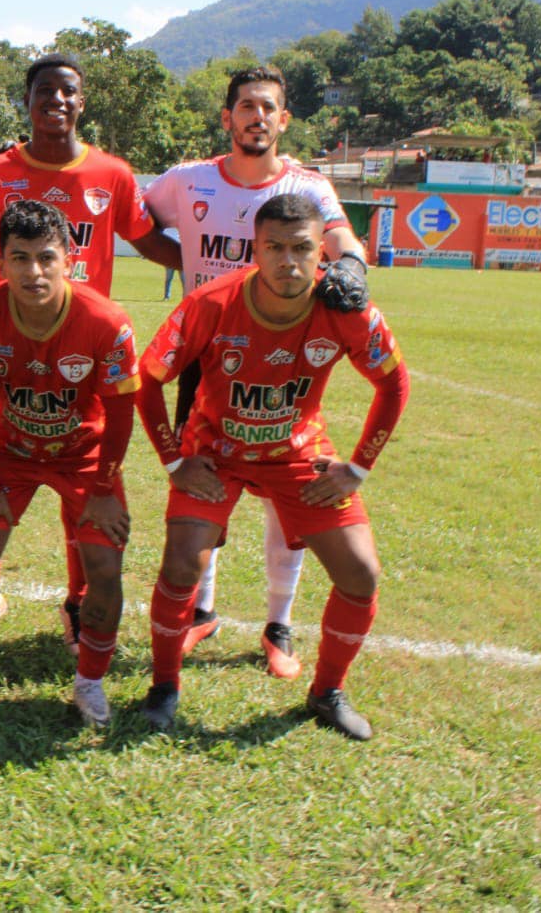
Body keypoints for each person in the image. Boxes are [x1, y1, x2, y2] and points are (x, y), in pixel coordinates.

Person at [134, 193, 409, 740]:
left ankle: (327, 691)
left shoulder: (345, 310)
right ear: (254, 251)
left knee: (361, 574)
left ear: (321, 253)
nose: (289, 262)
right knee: (183, 564)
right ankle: (164, 685)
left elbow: (393, 383)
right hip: (216, 456)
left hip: (297, 455)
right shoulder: (212, 303)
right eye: (274, 248)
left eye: (302, 248)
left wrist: (357, 468)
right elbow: (147, 378)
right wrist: (173, 461)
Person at [0, 52, 179, 653]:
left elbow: (149, 243)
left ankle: (77, 606)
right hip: (9, 351)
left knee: (83, 488)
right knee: (1, 469)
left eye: (68, 92)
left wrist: (235, 267)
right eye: (45, 92)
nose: (56, 102)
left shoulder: (114, 174)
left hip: (88, 355)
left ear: (82, 102)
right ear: (28, 100)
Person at [142, 65, 371, 678]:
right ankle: (201, 613)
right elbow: (135, 219)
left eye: (268, 107)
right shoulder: (188, 180)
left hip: (287, 346)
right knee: (206, 481)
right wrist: (183, 258)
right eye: (246, 106)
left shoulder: (308, 186)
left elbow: (347, 242)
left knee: (284, 488)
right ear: (228, 117)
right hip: (205, 348)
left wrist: (351, 269)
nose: (257, 116)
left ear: (283, 118)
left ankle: (279, 623)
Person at [0, 200, 139, 726]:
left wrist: (104, 487)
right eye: (20, 258)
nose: (34, 272)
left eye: (46, 257)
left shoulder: (105, 321)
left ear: (70, 260)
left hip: (86, 458)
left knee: (104, 566)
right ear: (0, 262)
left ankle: (91, 682)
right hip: (10, 455)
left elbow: (122, 414)